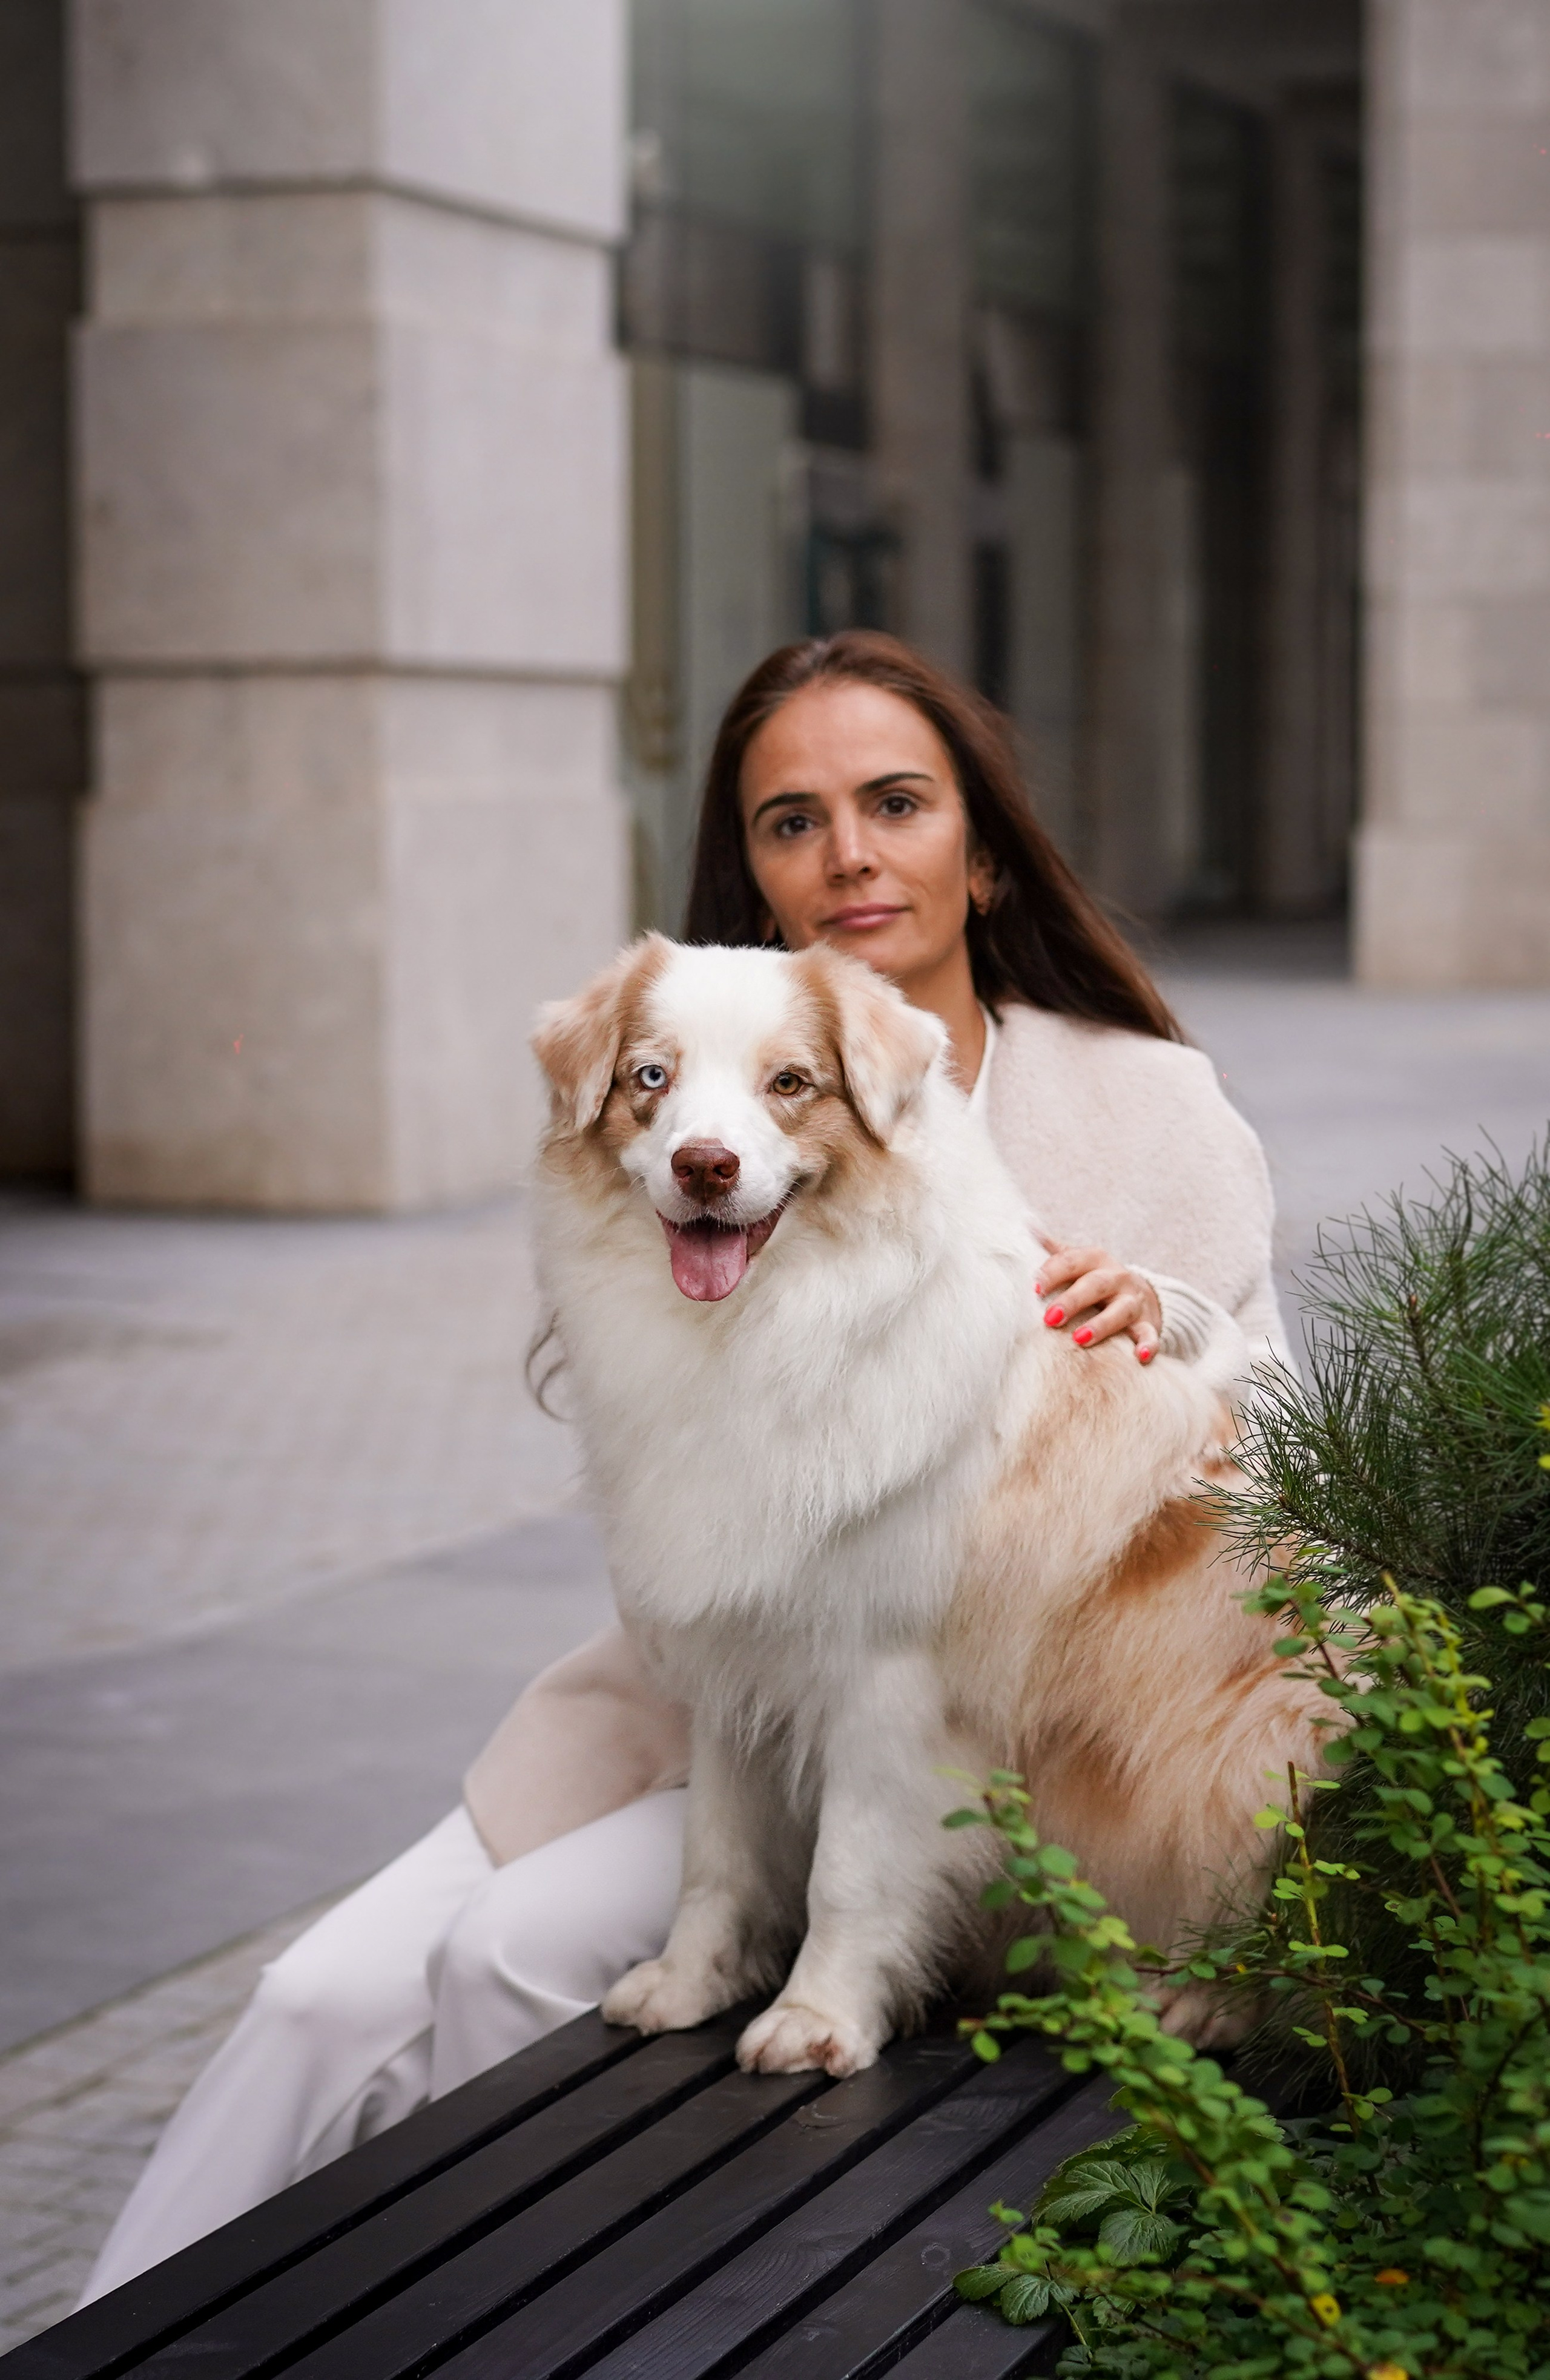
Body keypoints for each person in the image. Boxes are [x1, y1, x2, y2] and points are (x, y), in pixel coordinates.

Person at [83, 632, 1289, 2301]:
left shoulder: (1148, 1107)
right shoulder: (686, 1090)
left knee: (501, 1961)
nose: (850, 853)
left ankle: (521, 2303)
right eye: (794, 820)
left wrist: (1150, 1306)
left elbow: (1274, 1454)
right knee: (314, 2000)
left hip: (999, 1737)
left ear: (984, 844)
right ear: (758, 871)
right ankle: (113, 2321)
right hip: (700, 1702)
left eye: (896, 803)